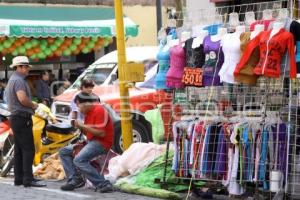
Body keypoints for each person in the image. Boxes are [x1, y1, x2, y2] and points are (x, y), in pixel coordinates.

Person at [59, 92, 114, 192]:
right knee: (64, 151)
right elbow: (89, 133)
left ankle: (103, 184)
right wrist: (79, 126)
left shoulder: (99, 110)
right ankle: (75, 179)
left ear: (84, 103)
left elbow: (101, 134)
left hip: (102, 143)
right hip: (91, 141)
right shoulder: (88, 114)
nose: (79, 110)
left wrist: (83, 126)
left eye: (78, 106)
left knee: (79, 160)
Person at [5, 56, 46, 187]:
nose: (28, 69)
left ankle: (19, 179)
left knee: (19, 150)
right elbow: (22, 99)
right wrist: (34, 105)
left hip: (16, 117)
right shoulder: (19, 81)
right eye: (26, 66)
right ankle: (28, 179)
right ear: (19, 67)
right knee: (28, 149)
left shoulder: (13, 79)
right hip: (22, 117)